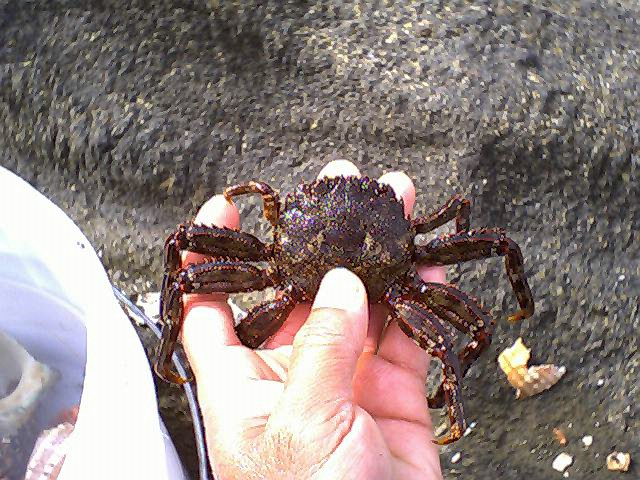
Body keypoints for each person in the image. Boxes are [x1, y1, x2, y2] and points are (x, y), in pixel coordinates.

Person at [181, 160, 444, 479]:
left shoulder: (289, 215)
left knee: (187, 277)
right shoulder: (390, 212)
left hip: (297, 289)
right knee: (460, 338)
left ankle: (166, 356)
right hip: (392, 294)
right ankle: (447, 400)